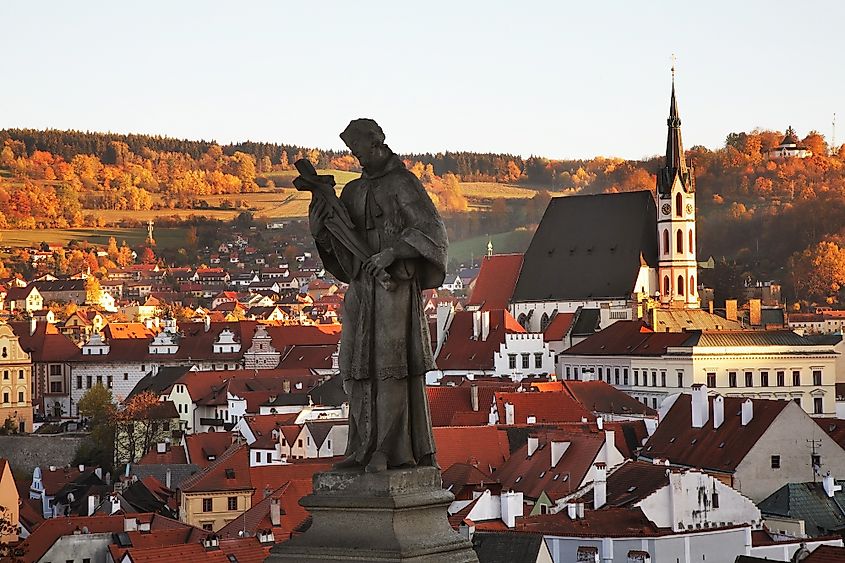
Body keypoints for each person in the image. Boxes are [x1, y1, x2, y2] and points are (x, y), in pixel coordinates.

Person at [308, 119, 447, 473]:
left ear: (377, 144)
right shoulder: (353, 192)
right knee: (353, 367)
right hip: (361, 288)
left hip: (394, 287)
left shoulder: (403, 184)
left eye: (358, 150)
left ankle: (388, 449)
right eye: (352, 152)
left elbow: (432, 232)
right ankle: (361, 445)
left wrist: (395, 251)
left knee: (391, 368)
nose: (355, 158)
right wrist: (321, 228)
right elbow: (340, 247)